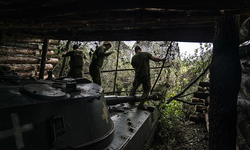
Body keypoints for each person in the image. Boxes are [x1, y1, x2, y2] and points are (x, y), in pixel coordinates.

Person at [130, 46, 166, 110]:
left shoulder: (134, 57)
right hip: (146, 75)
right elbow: (155, 59)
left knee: (134, 88)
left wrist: (138, 69)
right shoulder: (145, 54)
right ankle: (141, 104)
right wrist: (162, 59)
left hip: (137, 76)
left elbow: (133, 66)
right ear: (140, 49)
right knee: (146, 90)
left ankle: (131, 102)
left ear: (135, 51)